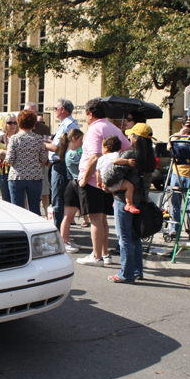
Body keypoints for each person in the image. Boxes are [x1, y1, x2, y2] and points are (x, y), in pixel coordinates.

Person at [76, 99, 131, 267]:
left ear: (90, 114)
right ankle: (105, 254)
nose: (86, 118)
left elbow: (94, 156)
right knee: (103, 219)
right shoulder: (113, 127)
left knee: (95, 219)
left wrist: (84, 179)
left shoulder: (95, 129)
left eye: (86, 114)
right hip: (108, 181)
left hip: (94, 180)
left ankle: (96, 255)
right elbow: (127, 148)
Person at [108, 123, 155, 283]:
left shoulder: (129, 155)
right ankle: (137, 270)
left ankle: (125, 274)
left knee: (124, 238)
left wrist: (116, 161)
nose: (129, 137)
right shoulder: (149, 155)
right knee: (135, 237)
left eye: (131, 135)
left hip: (124, 200)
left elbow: (109, 178)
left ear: (135, 137)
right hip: (141, 200)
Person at [45, 99, 79, 229]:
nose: (54, 110)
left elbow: (55, 148)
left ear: (63, 109)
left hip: (60, 165)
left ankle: (58, 231)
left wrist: (41, 143)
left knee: (58, 199)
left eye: (56, 108)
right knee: (59, 198)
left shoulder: (67, 125)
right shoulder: (67, 124)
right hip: (59, 165)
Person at [6, 109, 47, 214]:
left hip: (17, 176)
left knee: (17, 210)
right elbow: (43, 159)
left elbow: (9, 159)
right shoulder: (38, 139)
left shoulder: (14, 138)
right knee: (35, 209)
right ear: (34, 123)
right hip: (35, 176)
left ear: (19, 122)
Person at [96, 136, 139, 213]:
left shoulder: (100, 159)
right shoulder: (115, 154)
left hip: (105, 183)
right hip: (114, 182)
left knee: (115, 190)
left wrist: (99, 182)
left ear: (106, 148)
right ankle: (129, 204)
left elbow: (98, 172)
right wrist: (128, 161)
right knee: (129, 186)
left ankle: (115, 201)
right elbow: (116, 161)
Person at [59, 128, 85, 252]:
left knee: (69, 216)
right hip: (74, 185)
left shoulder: (70, 152)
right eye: (80, 139)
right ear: (74, 139)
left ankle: (66, 240)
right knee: (68, 217)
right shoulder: (73, 154)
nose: (81, 142)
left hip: (73, 185)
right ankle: (64, 241)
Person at [0, 113, 18, 202]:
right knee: (5, 197)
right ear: (5, 124)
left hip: (16, 169)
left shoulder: (18, 138)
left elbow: (17, 156)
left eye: (15, 123)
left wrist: (3, 152)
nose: (13, 125)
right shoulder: (1, 138)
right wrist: (9, 154)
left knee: (16, 198)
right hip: (3, 169)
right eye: (10, 123)